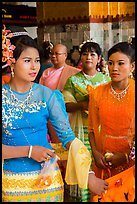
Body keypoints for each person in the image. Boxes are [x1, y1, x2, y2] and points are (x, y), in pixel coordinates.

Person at [2, 25, 108, 202]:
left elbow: (68, 137)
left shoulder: (47, 95)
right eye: (27, 60)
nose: (34, 67)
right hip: (12, 183)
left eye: (37, 60)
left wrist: (88, 175)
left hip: (48, 180)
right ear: (12, 61)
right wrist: (28, 151)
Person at [62, 41, 111, 202]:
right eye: (85, 54)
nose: (88, 57)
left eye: (92, 54)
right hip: (81, 130)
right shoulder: (73, 80)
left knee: (103, 166)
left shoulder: (106, 80)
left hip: (102, 130)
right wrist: (84, 103)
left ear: (99, 59)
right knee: (84, 166)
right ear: (80, 57)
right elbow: (66, 105)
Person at [88, 41, 135, 201]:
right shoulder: (98, 93)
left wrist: (127, 156)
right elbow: (92, 130)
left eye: (121, 63)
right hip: (103, 161)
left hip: (131, 164)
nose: (114, 68)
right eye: (111, 63)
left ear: (132, 66)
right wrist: (95, 154)